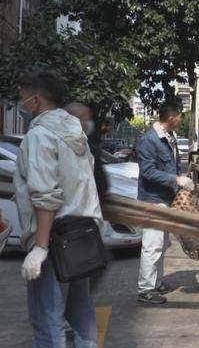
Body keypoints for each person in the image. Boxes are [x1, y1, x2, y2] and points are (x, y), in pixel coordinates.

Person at [13, 70, 103, 347]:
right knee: (81, 313)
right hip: (82, 235)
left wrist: (39, 247)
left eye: (23, 99)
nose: (21, 105)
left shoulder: (40, 136)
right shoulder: (75, 133)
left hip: (53, 239)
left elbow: (45, 195)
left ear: (36, 101)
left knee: (48, 320)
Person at [136, 98, 194, 304]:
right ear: (171, 118)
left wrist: (181, 185)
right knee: (152, 245)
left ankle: (156, 283)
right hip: (152, 199)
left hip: (166, 199)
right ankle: (145, 290)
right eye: (180, 116)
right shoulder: (149, 140)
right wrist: (175, 179)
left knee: (161, 244)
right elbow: (148, 172)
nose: (181, 119)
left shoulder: (170, 137)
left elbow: (175, 165)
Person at [65, 102, 108, 203]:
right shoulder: (77, 147)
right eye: (84, 119)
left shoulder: (86, 143)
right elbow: (100, 184)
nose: (88, 123)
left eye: (89, 119)